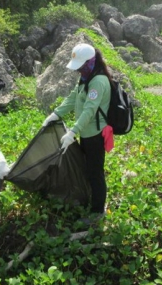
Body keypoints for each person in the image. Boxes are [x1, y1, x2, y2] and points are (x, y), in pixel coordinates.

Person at [41, 43, 112, 224]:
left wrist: (73, 132)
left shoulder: (98, 81)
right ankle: (90, 198)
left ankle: (98, 211)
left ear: (90, 62)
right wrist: (55, 114)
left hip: (94, 134)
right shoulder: (86, 77)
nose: (79, 70)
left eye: (81, 66)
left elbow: (90, 110)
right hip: (86, 133)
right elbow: (73, 98)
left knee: (95, 172)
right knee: (87, 169)